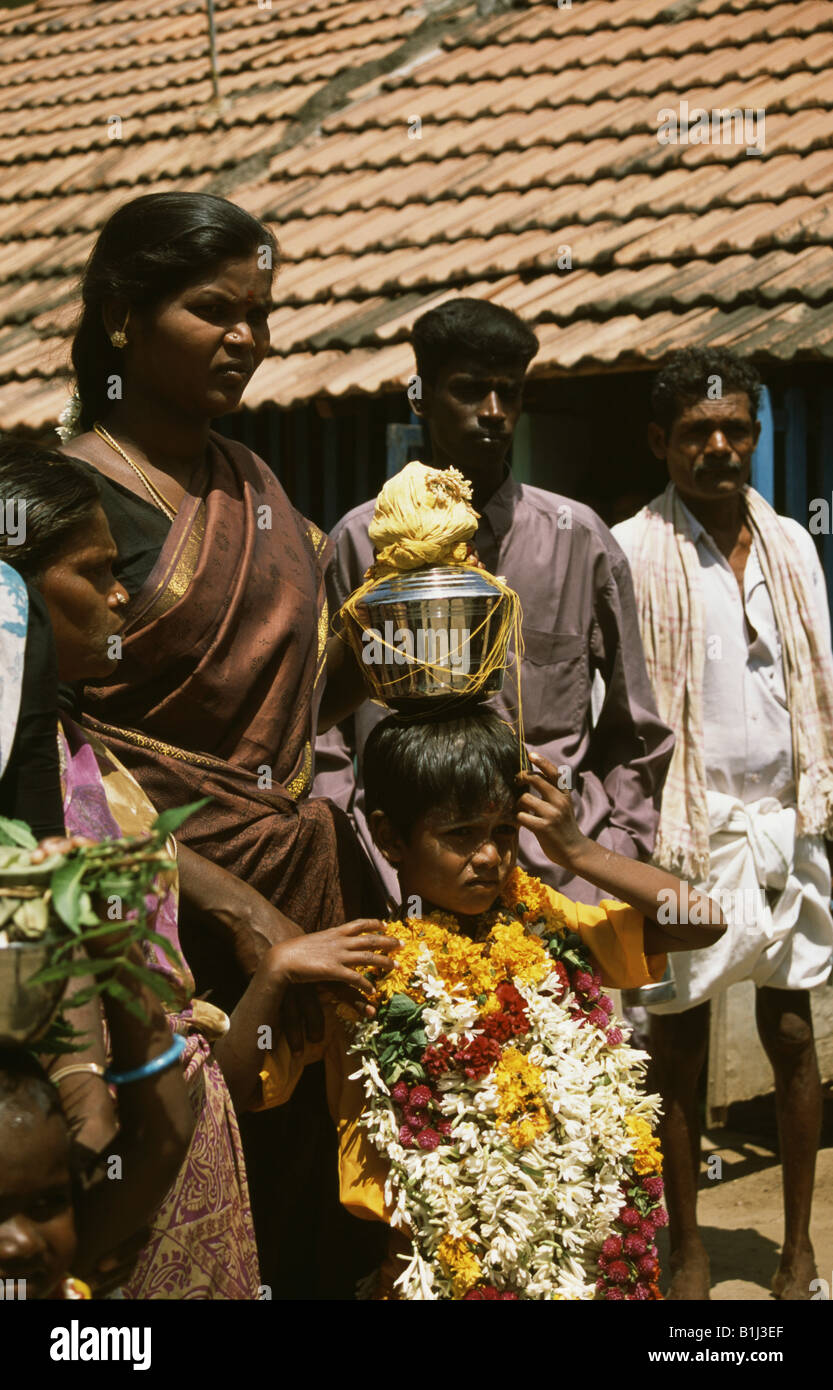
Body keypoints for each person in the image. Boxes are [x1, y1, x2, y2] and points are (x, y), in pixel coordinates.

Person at [55, 191, 383, 1295]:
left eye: (260, 312)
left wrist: (387, 669)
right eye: (212, 309)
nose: (246, 337)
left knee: (314, 1204)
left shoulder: (259, 486)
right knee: (174, 1211)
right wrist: (240, 913)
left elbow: (284, 720)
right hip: (148, 927)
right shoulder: (61, 508)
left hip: (302, 896)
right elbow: (56, 759)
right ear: (120, 319)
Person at [0, 443, 385, 1297]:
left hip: (168, 1138)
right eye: (95, 572)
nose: (121, 595)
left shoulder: (74, 753)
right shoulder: (20, 791)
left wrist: (252, 920)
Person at [238, 711, 725, 1299]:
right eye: (461, 834)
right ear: (390, 838)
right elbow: (234, 1087)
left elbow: (703, 923)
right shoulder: (362, 976)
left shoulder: (549, 929)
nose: (491, 857)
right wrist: (275, 971)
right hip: (434, 1278)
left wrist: (578, 853)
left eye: (502, 832)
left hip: (575, 1270)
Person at [314, 298, 675, 907]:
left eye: (510, 393)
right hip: (398, 887)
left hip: (557, 887)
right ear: (420, 397)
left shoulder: (579, 539)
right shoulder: (359, 542)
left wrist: (610, 858)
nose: (494, 412)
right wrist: (362, 861)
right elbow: (323, 737)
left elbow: (634, 729)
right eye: (469, 390)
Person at [612, 346, 833, 1301]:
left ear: (755, 435)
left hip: (788, 823)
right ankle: (688, 1246)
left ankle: (796, 1247)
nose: (717, 447)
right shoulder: (628, 548)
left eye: (734, 429)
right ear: (659, 441)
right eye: (696, 433)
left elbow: (813, 684)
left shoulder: (790, 542)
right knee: (680, 1039)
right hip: (684, 830)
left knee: (791, 1032)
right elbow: (609, 704)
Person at [0, 907, 193, 1300]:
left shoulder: (55, 1272)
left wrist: (114, 950)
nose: (17, 1243)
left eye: (47, 1203)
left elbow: (158, 1141)